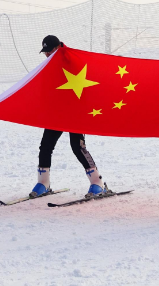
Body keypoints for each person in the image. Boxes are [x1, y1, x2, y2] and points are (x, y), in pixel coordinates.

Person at [30, 35, 106, 199]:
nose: (47, 55)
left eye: (49, 51)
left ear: (57, 48)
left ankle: (97, 182)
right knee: (45, 146)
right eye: (45, 52)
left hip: (75, 113)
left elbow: (86, 81)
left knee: (77, 147)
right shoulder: (49, 63)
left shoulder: (72, 58)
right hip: (57, 113)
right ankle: (43, 183)